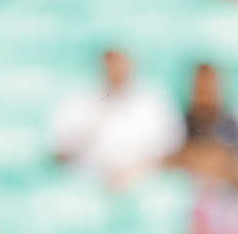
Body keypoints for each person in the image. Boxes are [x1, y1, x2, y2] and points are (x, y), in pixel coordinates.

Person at [49, 48, 184, 184]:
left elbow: (172, 151)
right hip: (88, 181)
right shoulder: (79, 101)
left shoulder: (153, 101)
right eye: (110, 64)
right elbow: (60, 153)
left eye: (120, 64)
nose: (116, 71)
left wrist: (135, 172)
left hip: (144, 181)